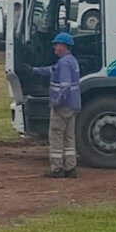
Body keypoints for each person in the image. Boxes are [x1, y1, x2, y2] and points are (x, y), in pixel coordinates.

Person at [33, 32, 82, 178]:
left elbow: (65, 86)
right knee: (69, 137)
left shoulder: (64, 63)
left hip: (62, 106)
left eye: (56, 44)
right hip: (73, 105)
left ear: (63, 46)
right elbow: (51, 70)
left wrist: (57, 102)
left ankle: (57, 168)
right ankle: (70, 167)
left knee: (56, 136)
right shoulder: (71, 61)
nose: (54, 47)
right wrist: (34, 70)